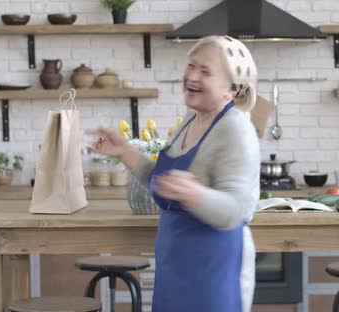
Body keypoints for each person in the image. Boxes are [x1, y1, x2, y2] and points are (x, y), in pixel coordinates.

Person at [87, 35, 260, 312]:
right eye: (192, 65)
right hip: (175, 265)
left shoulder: (235, 129)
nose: (192, 75)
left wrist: (196, 195)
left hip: (214, 270)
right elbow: (163, 181)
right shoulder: (193, 119)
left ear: (231, 88)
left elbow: (237, 209)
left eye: (205, 71)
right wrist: (125, 152)